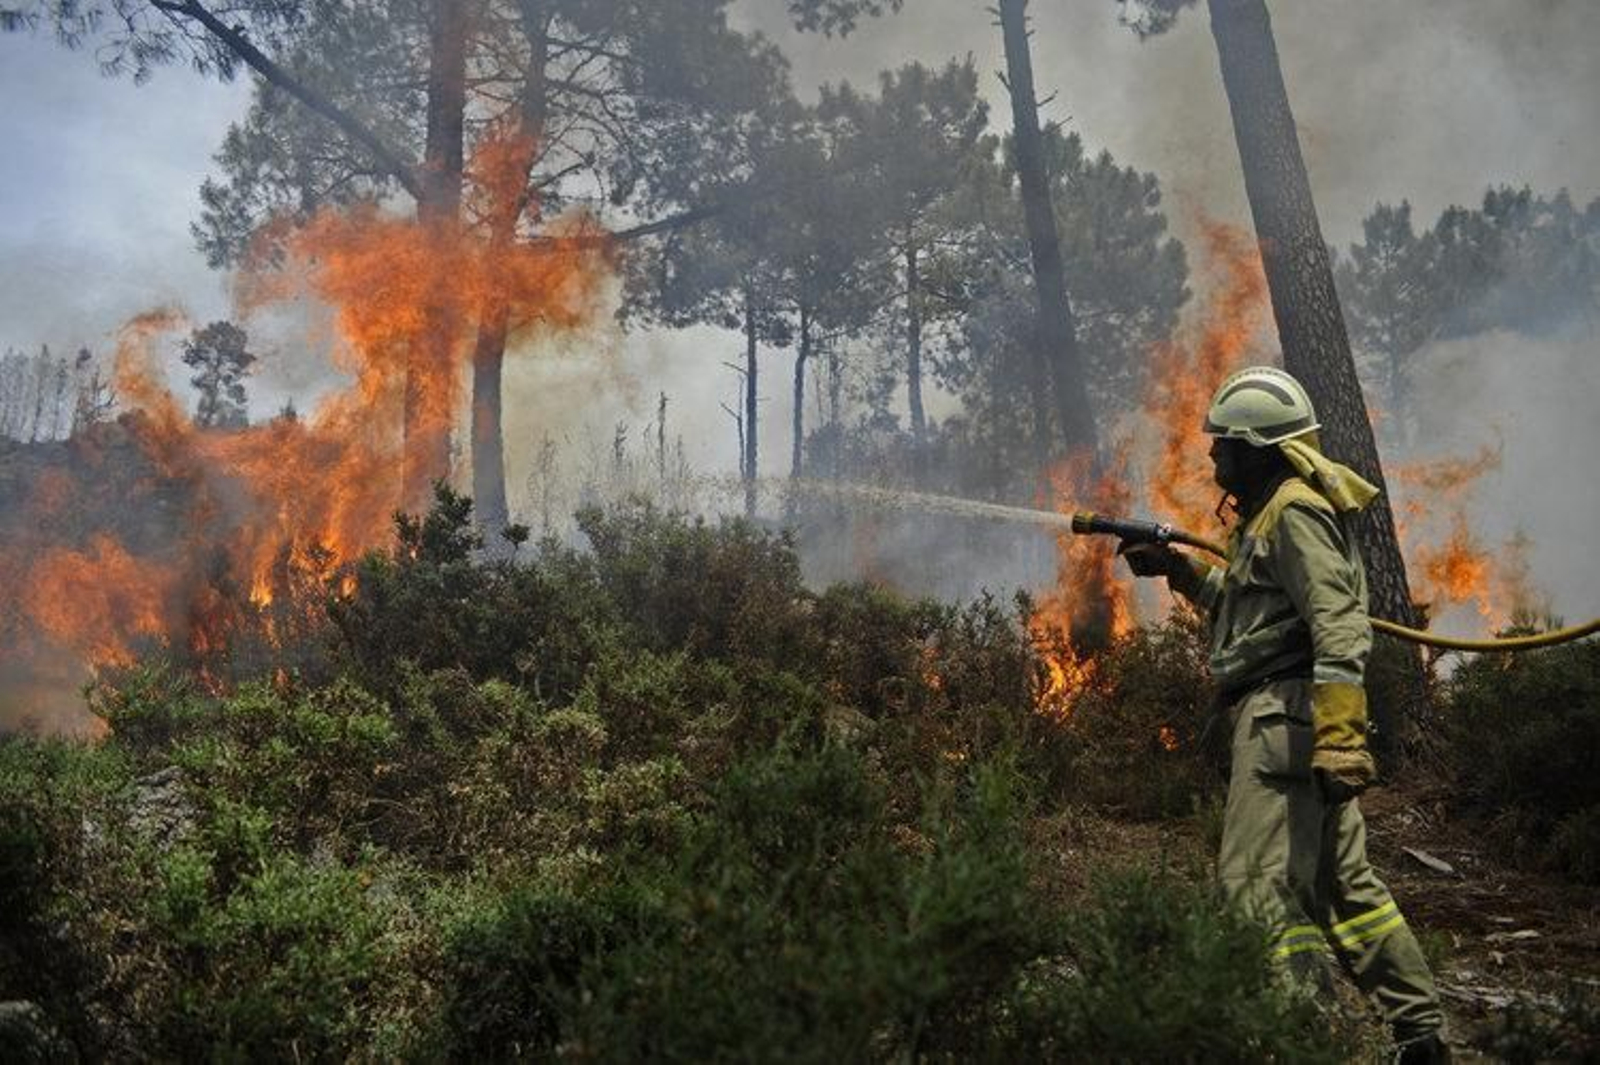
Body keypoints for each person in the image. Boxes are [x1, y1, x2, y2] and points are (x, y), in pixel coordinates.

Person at [1121, 365, 1448, 1064]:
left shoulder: (1294, 511)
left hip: (1284, 721)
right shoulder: (1269, 516)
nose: (1213, 456)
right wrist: (1176, 570)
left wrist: (1338, 737)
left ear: (1261, 448)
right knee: (1344, 884)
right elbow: (1256, 618)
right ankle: (1420, 1033)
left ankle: (1296, 1031)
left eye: (1225, 444)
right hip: (1296, 718)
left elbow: (1337, 626)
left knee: (1253, 885)